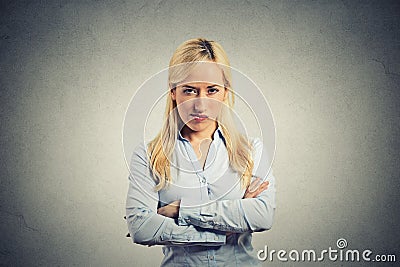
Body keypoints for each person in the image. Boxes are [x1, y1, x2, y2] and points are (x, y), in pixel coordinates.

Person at [125, 38, 276, 266]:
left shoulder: (251, 150)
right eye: (190, 90)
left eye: (212, 90)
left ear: (225, 92)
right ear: (173, 91)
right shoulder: (147, 156)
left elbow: (262, 215)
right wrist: (224, 228)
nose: (200, 105)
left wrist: (179, 210)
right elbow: (141, 228)